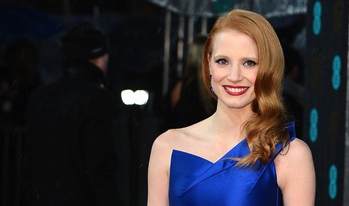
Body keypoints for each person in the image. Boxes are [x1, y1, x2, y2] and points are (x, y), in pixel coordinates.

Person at [148, 9, 315, 206]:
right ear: (208, 64)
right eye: (223, 61)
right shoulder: (167, 146)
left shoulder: (290, 154)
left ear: (269, 69)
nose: (234, 76)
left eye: (249, 63)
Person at [24, 23, 122, 206]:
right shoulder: (97, 98)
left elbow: (29, 160)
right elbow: (100, 166)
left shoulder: (39, 97)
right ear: (97, 58)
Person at [166, 34, 215, 129]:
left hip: (185, 139)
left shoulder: (181, 86)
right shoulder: (217, 85)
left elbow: (172, 117)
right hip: (210, 138)